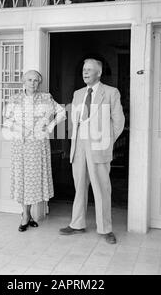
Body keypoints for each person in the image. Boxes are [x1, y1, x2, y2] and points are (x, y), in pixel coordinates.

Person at [59, 58, 125, 244]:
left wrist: (107, 141)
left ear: (99, 73)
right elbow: (74, 121)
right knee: (79, 186)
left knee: (102, 188)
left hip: (99, 146)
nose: (85, 72)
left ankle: (105, 229)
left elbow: (118, 122)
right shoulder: (78, 93)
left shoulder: (111, 92)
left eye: (89, 69)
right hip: (79, 146)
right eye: (83, 69)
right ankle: (77, 224)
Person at [2, 70, 66, 232]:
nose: (33, 83)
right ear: (24, 81)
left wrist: (50, 126)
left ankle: (27, 214)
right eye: (30, 80)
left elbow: (62, 112)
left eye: (36, 80)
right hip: (21, 145)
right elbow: (7, 120)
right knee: (23, 179)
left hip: (38, 145)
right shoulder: (15, 99)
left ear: (39, 83)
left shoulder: (46, 98)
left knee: (34, 180)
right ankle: (25, 215)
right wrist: (18, 130)